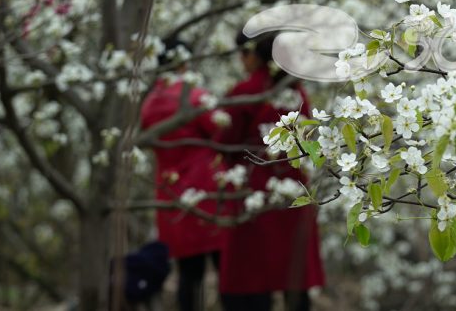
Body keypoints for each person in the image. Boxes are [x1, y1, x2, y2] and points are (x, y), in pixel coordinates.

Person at [216, 31, 325, 311]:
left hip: (252, 188)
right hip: (291, 189)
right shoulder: (295, 91)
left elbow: (226, 143)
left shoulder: (245, 92)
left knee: (251, 276)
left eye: (243, 53)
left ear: (253, 54)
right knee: (293, 274)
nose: (241, 61)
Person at [139, 38, 227, 311]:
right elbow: (222, 130)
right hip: (206, 190)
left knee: (189, 273)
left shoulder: (149, 102)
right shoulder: (196, 97)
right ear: (184, 62)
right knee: (224, 268)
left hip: (171, 194)